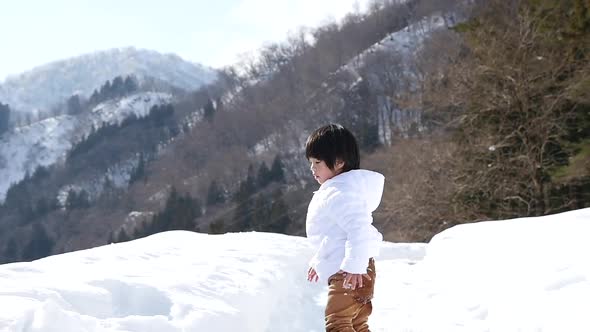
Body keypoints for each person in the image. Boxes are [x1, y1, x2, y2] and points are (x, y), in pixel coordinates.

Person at [305, 124, 384, 332]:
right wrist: (320, 262)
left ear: (339, 162)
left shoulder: (339, 192)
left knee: (337, 323)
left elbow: (359, 229)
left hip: (350, 271)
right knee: (357, 324)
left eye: (317, 162)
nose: (312, 169)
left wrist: (354, 266)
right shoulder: (340, 190)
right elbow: (333, 236)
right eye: (311, 163)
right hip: (353, 267)